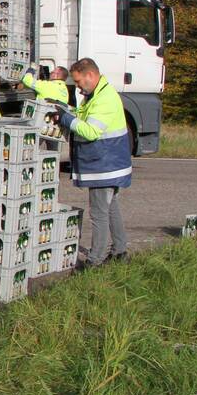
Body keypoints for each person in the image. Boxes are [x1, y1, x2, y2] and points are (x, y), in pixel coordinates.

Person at [56, 58, 131, 268]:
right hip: (108, 163)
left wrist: (66, 119)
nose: (78, 88)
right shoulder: (97, 94)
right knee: (111, 208)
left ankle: (94, 261)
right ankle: (120, 251)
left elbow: (90, 132)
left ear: (90, 75)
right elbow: (86, 118)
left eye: (79, 82)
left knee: (99, 213)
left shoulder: (104, 98)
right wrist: (69, 112)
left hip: (104, 165)